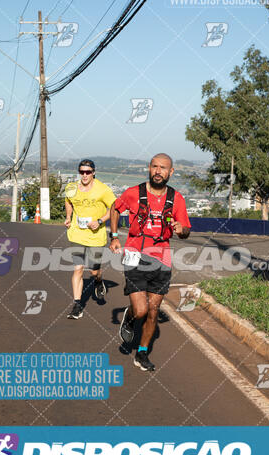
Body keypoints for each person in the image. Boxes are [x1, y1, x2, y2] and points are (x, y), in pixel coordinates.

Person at [110, 153, 191, 371]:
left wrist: (182, 230)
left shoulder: (177, 198)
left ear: (170, 172)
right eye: (155, 166)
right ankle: (131, 316)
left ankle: (142, 353)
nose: (158, 171)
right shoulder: (134, 192)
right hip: (135, 254)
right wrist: (114, 236)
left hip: (162, 258)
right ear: (149, 168)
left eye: (163, 168)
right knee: (142, 310)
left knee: (153, 311)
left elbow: (185, 230)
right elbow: (115, 209)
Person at [65, 159, 116, 319]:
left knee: (94, 271)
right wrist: (68, 216)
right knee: (78, 268)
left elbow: (114, 208)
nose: (84, 175)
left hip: (96, 237)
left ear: (93, 172)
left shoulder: (103, 190)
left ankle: (98, 280)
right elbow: (68, 201)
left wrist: (100, 221)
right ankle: (77, 305)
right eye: (81, 172)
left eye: (88, 172)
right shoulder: (71, 187)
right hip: (77, 234)